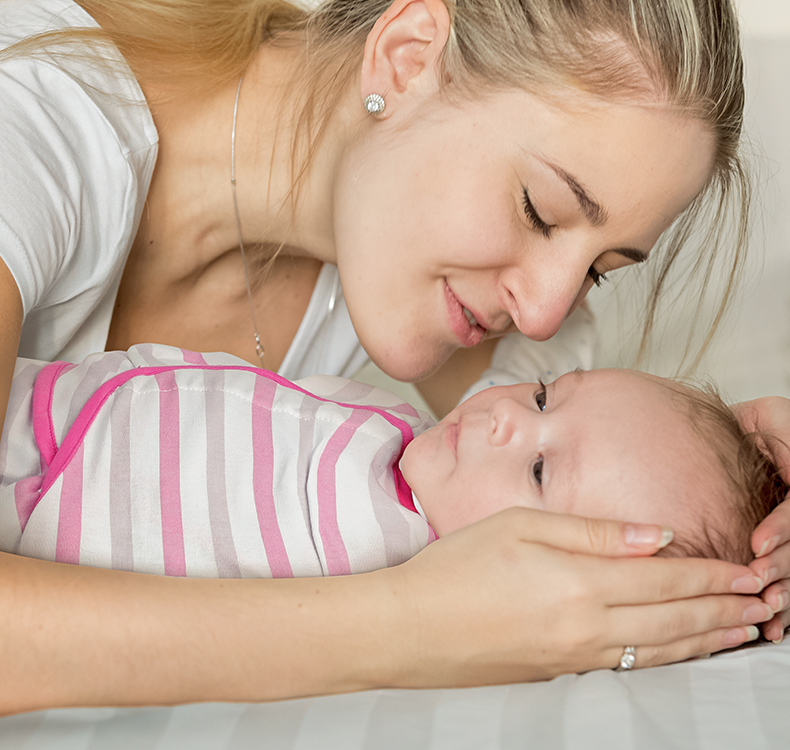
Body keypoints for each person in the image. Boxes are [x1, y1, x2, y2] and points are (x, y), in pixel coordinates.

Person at [0, 0, 787, 714]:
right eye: (538, 212)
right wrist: (411, 626)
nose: (545, 312)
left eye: (596, 271)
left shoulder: (381, 261)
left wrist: (744, 466)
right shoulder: (33, 129)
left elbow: (584, 457)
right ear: (408, 57)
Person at [2, 343, 783, 578]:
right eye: (546, 394)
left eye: (542, 472)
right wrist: (747, 425)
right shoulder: (411, 440)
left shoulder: (388, 572)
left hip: (38, 510)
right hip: (41, 400)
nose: (508, 415)